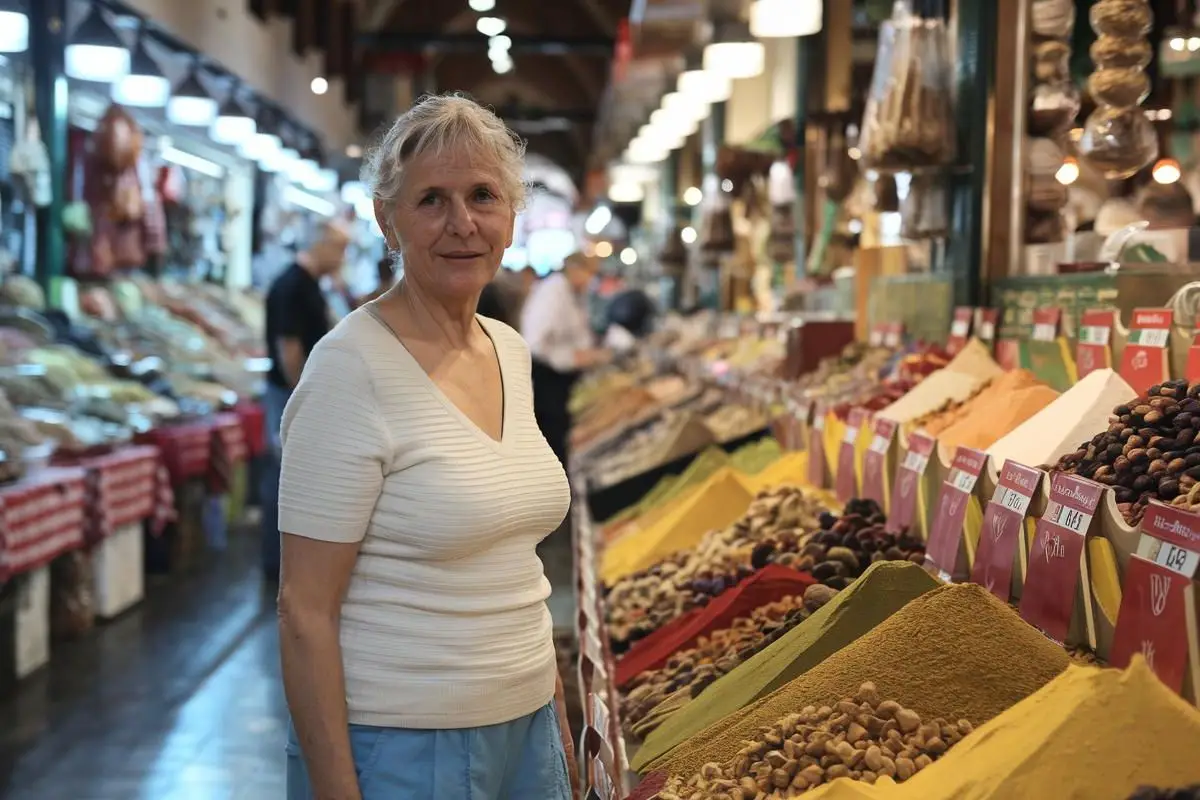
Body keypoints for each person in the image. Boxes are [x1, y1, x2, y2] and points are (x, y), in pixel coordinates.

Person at [276, 94, 576, 800]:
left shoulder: (509, 350)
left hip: (526, 727)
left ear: (511, 214)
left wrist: (554, 709)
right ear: (388, 219)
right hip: (405, 746)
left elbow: (518, 560)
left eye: (482, 196)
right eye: (431, 200)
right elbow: (303, 610)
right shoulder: (348, 368)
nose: (462, 224)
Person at [260, 220, 349, 582]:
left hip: (297, 394)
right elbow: (289, 348)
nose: (342, 258)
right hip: (288, 395)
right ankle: (278, 563)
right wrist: (304, 395)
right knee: (285, 478)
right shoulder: (293, 286)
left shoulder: (309, 285)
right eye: (339, 249)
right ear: (321, 245)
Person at [520, 251, 610, 468]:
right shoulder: (554, 291)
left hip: (562, 379)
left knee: (560, 439)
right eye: (589, 273)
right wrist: (573, 357)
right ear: (575, 269)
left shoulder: (571, 292)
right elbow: (537, 341)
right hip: (548, 379)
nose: (590, 280)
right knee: (553, 442)